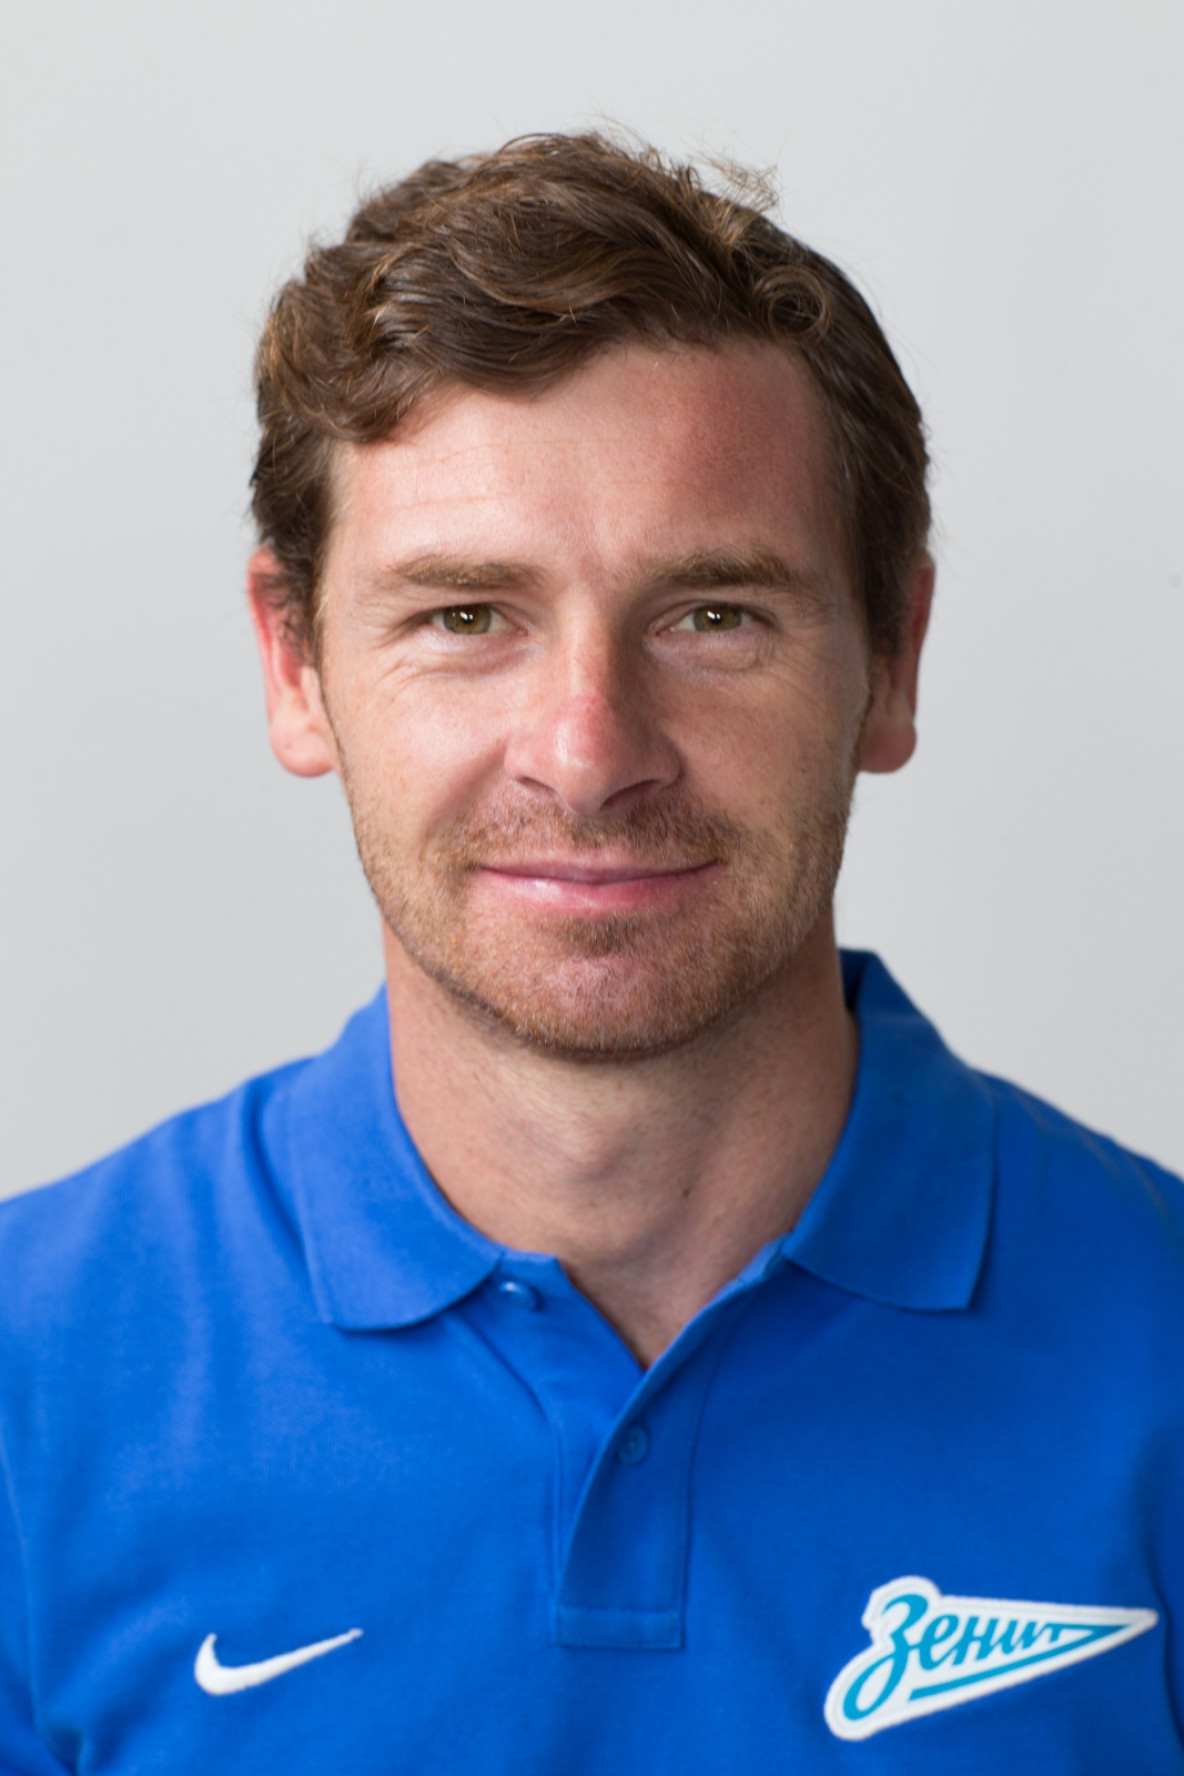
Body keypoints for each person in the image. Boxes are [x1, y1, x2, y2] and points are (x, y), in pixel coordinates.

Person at [1, 132, 1181, 1775]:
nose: (587, 751)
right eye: (465, 616)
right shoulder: (31, 1377)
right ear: (294, 663)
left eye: (713, 616)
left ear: (893, 660)